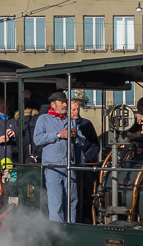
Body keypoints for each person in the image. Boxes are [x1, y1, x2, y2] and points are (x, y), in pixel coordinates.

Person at [35, 91, 88, 222]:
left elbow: (83, 143)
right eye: (62, 102)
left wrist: (76, 137)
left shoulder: (71, 121)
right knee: (56, 202)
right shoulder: (43, 119)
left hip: (70, 167)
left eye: (66, 102)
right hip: (54, 167)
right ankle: (57, 233)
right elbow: (37, 139)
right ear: (53, 105)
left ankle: (71, 229)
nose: (65, 105)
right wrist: (58, 135)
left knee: (71, 201)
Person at [71, 98, 101, 223]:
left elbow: (95, 145)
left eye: (78, 109)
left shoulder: (86, 124)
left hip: (84, 166)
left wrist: (85, 158)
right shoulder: (61, 124)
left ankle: (87, 218)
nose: (76, 112)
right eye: (73, 109)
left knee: (87, 194)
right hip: (70, 165)